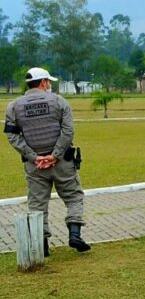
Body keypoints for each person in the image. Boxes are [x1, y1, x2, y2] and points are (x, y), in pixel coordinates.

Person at [4, 67, 90, 256]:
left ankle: (41, 244)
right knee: (74, 196)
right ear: (43, 82)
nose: (50, 85)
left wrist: (35, 157)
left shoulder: (14, 106)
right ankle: (75, 234)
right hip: (63, 163)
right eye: (49, 82)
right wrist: (55, 155)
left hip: (35, 166)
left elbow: (12, 136)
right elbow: (68, 132)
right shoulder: (59, 101)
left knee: (37, 204)